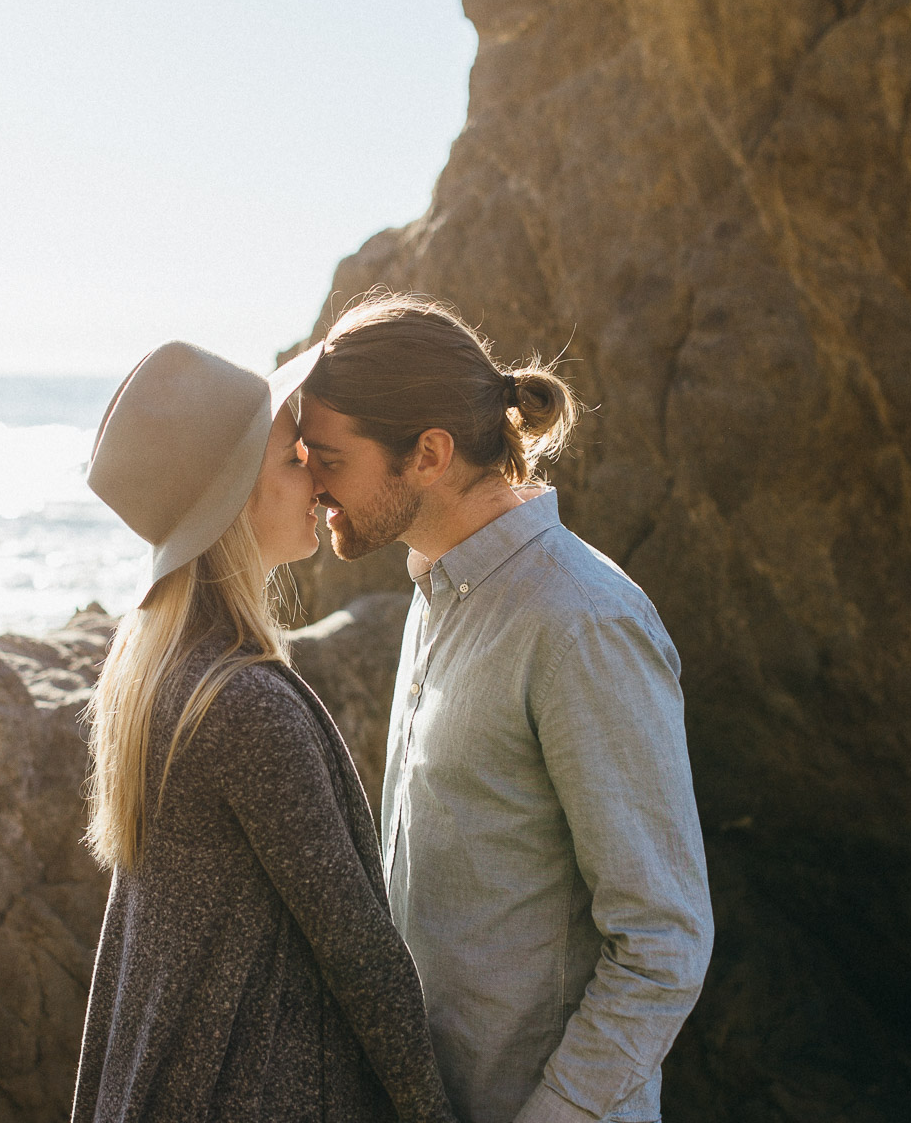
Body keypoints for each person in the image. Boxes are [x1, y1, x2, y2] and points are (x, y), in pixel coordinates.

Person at [295, 294, 715, 1123]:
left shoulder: (582, 622)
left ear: (429, 453)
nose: (313, 486)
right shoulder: (435, 591)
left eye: (331, 460)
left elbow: (663, 948)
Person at [71, 340, 458, 1123]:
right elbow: (360, 957)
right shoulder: (243, 706)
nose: (316, 478)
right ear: (238, 499)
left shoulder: (157, 671)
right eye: (293, 459)